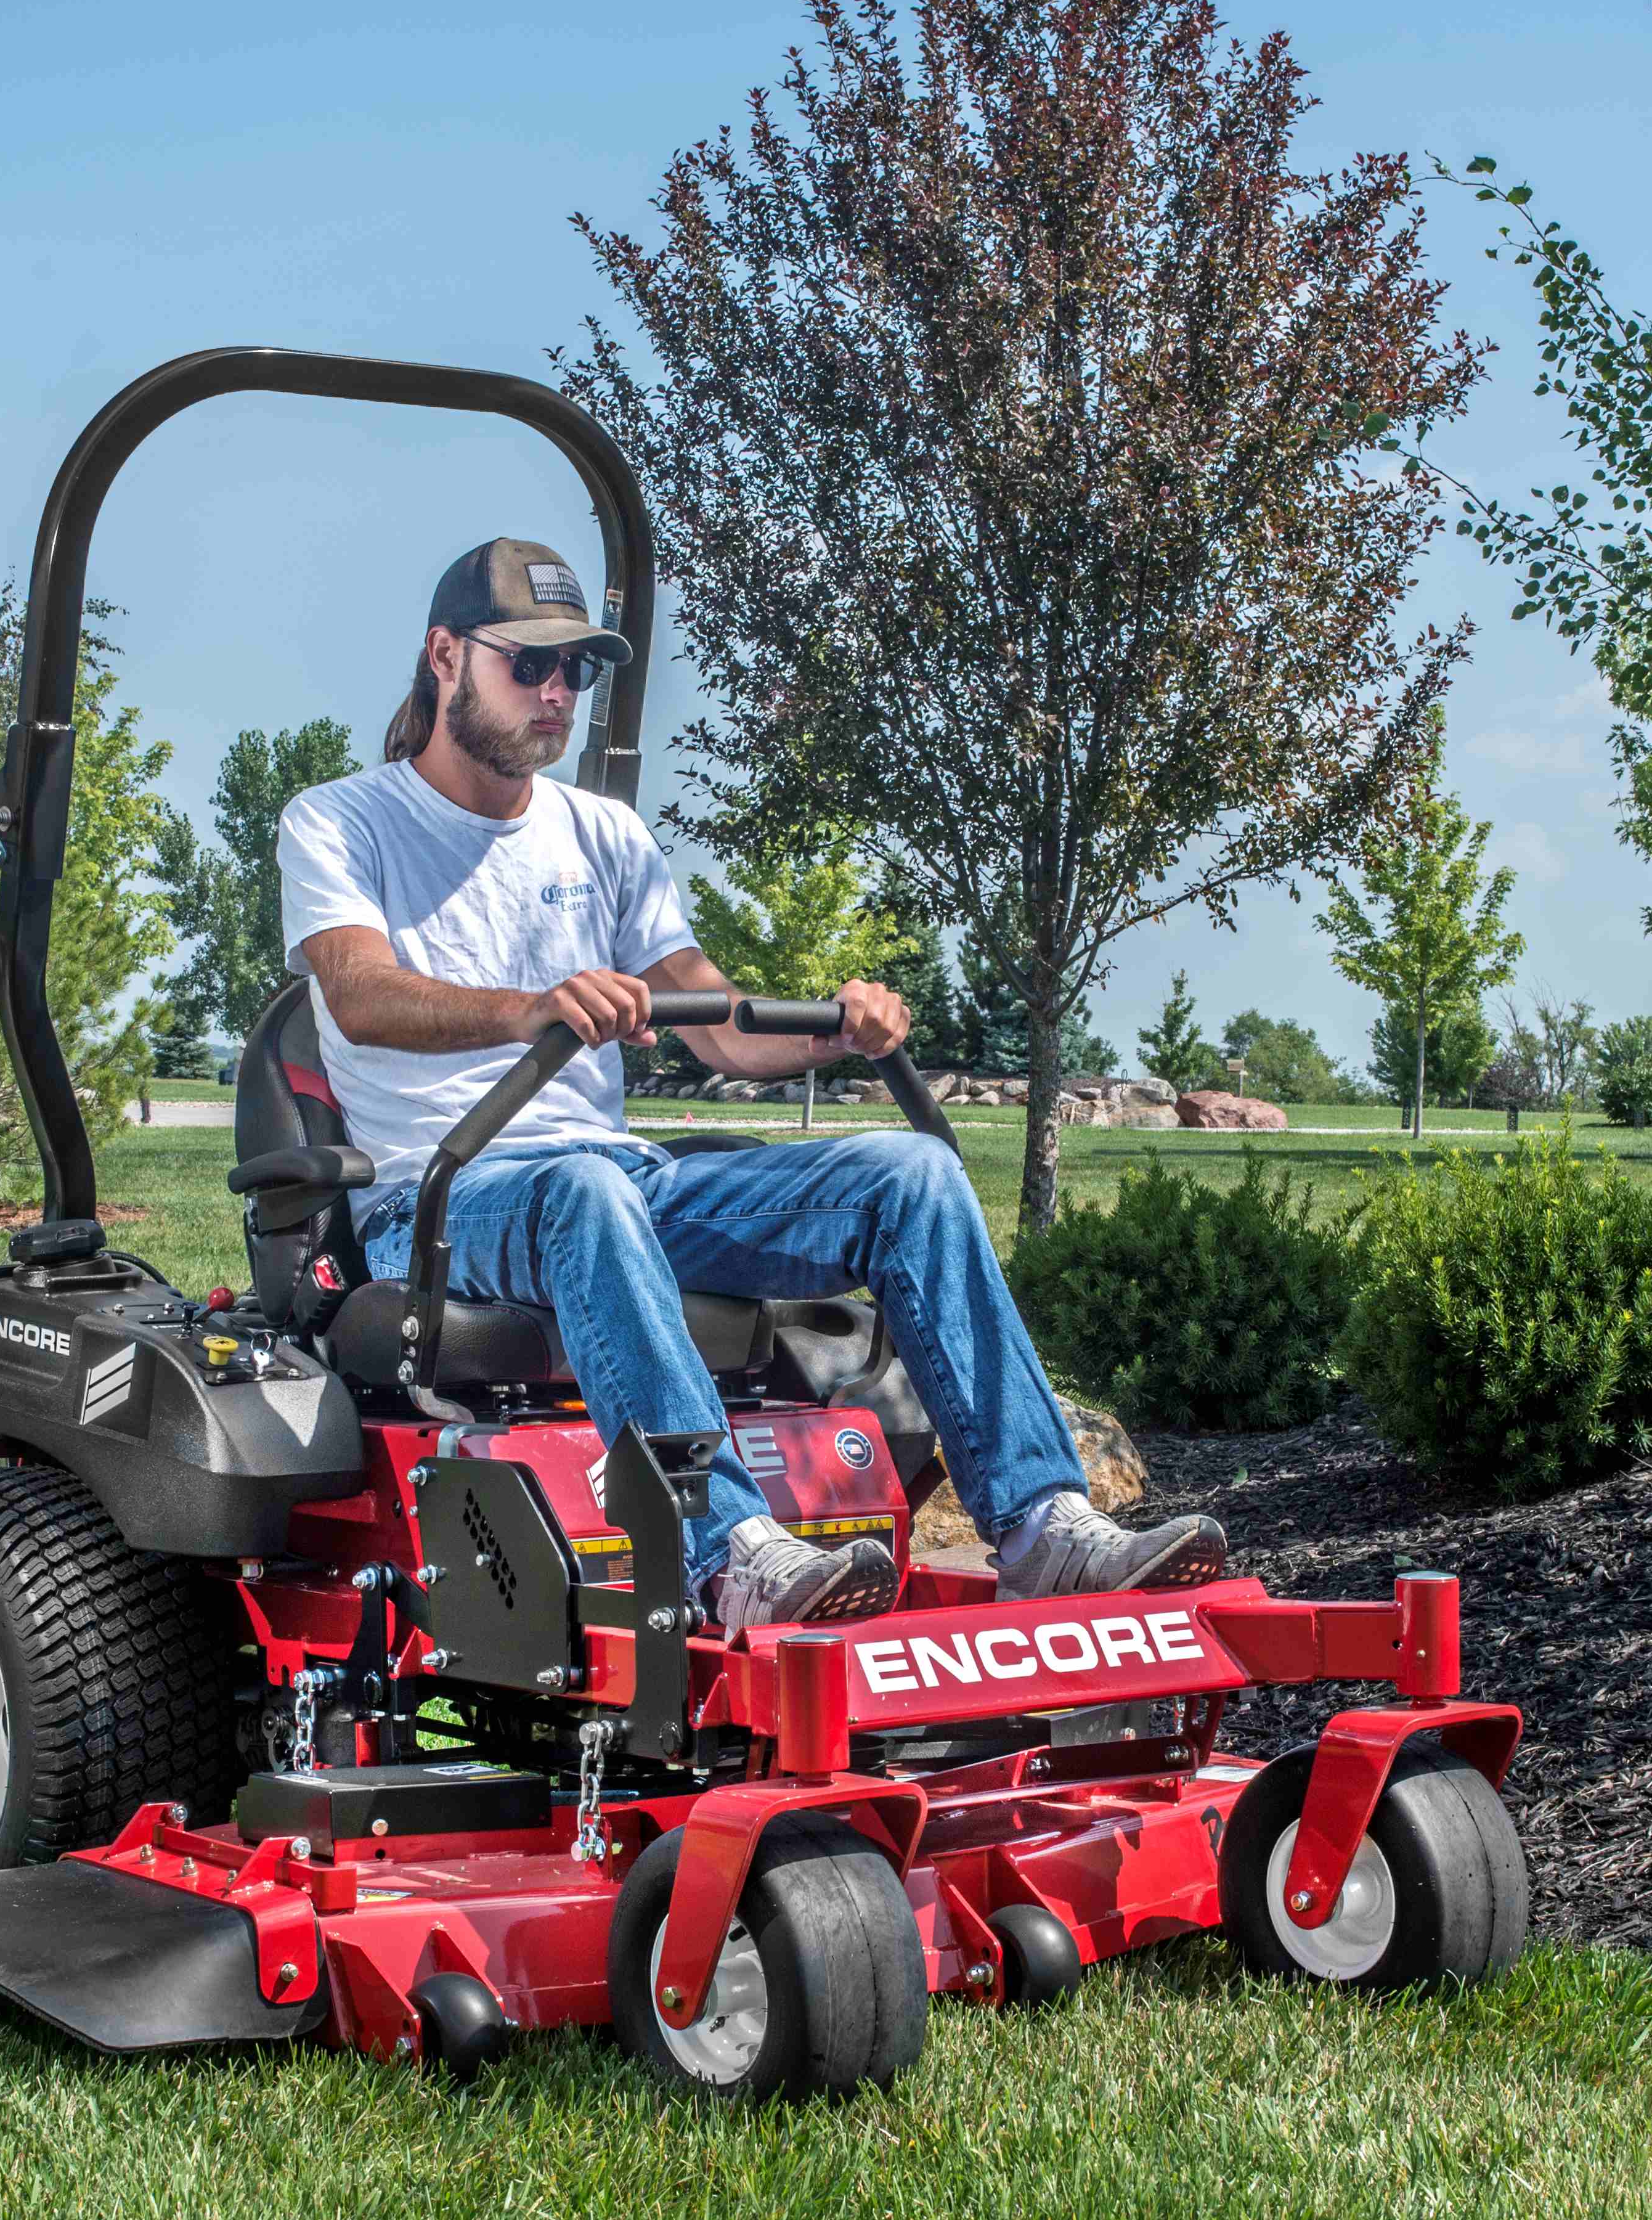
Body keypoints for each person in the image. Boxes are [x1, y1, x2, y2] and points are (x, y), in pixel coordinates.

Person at [274, 536, 1228, 1632]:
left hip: (622, 1188)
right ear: (444, 657)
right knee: (583, 1193)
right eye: (524, 664)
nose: (553, 693)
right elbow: (359, 994)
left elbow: (718, 1026)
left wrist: (840, 1030)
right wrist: (528, 1007)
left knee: (909, 1172)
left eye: (575, 671)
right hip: (438, 1202)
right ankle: (725, 1548)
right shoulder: (341, 818)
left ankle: (1041, 1526)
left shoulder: (605, 834)